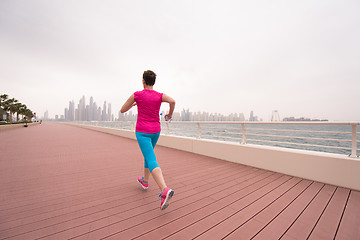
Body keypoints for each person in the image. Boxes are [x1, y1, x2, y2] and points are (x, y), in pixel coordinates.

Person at [120, 70, 176, 210]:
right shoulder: (159, 95)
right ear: (153, 82)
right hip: (156, 131)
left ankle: (164, 190)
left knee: (151, 159)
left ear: (143, 81)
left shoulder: (137, 95)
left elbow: (122, 110)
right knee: (148, 155)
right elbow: (173, 101)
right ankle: (145, 181)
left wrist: (134, 104)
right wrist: (169, 114)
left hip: (142, 132)